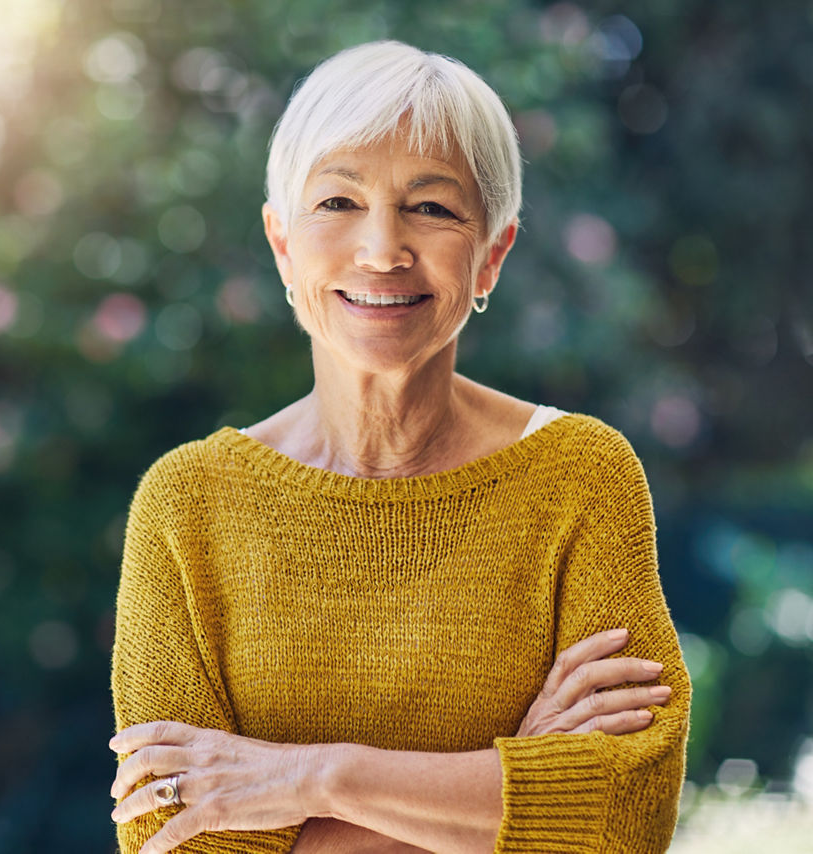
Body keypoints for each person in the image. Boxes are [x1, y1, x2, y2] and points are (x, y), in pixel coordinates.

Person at [108, 39, 689, 854]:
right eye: (337, 203)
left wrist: (314, 781)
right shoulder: (188, 505)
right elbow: (175, 837)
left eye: (432, 207)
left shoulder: (580, 477)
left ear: (492, 254)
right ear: (282, 244)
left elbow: (626, 817)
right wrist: (515, 786)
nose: (382, 250)